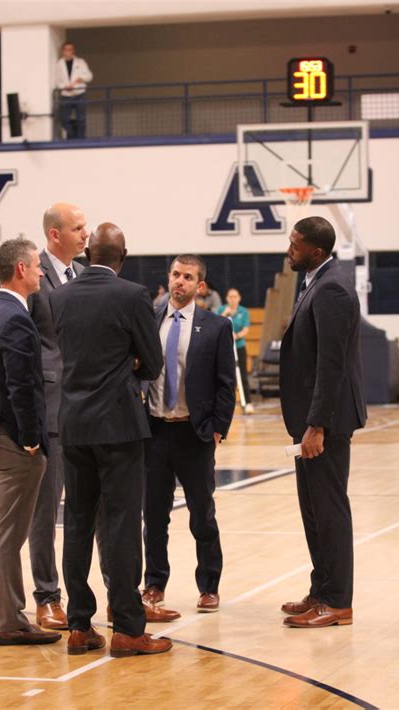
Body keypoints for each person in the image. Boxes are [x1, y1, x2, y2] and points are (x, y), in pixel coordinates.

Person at [50, 222, 172, 657]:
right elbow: (153, 362)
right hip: (119, 425)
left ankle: (79, 626)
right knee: (121, 526)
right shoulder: (132, 295)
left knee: (78, 524)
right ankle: (127, 629)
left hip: (74, 425)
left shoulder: (59, 296)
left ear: (88, 255)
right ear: (122, 256)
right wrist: (130, 369)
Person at [0, 238, 61, 647]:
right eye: (36, 266)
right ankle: (10, 622)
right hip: (13, 443)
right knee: (9, 534)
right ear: (21, 270)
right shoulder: (16, 319)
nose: (42, 271)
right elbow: (21, 387)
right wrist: (30, 440)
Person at [279, 216, 367, 628]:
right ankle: (321, 589)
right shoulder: (316, 279)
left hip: (325, 422)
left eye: (295, 243)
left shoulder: (331, 287)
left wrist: (316, 425)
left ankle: (337, 602)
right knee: (314, 511)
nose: (289, 247)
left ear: (315, 249)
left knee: (329, 510)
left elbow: (331, 365)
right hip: (310, 419)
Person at [143, 254, 236, 613]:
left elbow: (226, 384)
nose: (180, 281)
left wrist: (217, 430)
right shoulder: (148, 321)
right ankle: (154, 584)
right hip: (154, 431)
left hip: (194, 434)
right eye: (176, 274)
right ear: (169, 279)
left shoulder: (216, 327)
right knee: (153, 516)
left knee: (202, 515)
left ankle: (209, 585)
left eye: (188, 277)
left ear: (200, 286)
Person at [27, 203, 87, 630]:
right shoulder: (33, 277)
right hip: (49, 408)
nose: (86, 234)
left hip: (88, 408)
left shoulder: (85, 275)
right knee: (45, 511)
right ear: (55, 235)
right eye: (78, 228)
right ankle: (47, 596)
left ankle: (85, 593)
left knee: (86, 509)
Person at [218, 288, 255, 414]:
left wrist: (236, 336)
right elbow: (216, 325)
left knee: (242, 375)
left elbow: (246, 329)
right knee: (226, 376)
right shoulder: (221, 309)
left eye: (235, 296)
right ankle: (227, 404)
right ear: (227, 298)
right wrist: (224, 314)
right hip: (225, 348)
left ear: (239, 298)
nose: (233, 299)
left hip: (239, 346)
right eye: (230, 296)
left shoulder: (243, 311)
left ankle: (247, 403)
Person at [56, 41, 93, 139]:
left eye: (70, 49)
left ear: (73, 51)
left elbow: (89, 76)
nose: (68, 52)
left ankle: (80, 139)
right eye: (66, 49)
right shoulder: (59, 64)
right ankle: (72, 136)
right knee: (64, 119)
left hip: (79, 93)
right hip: (66, 94)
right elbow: (57, 80)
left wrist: (79, 80)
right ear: (63, 51)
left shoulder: (81, 62)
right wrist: (64, 86)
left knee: (81, 119)